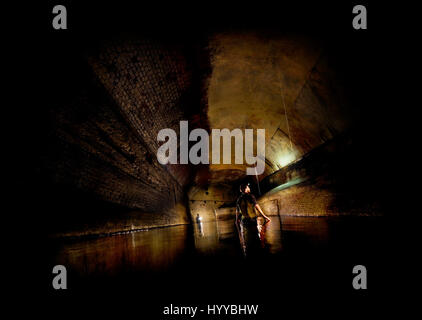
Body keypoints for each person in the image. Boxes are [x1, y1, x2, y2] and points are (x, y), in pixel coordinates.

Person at [235, 182, 270, 257]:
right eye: (248, 187)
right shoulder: (250, 196)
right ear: (245, 189)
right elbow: (257, 206)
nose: (249, 188)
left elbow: (237, 212)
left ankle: (248, 254)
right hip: (252, 220)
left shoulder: (238, 199)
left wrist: (236, 221)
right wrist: (264, 216)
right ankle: (258, 253)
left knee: (247, 241)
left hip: (244, 221)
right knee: (256, 239)